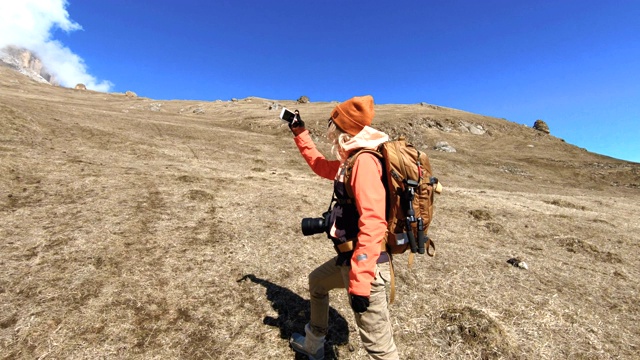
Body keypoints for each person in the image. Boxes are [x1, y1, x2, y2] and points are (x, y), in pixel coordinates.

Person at [288, 95, 399, 360]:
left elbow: (373, 223)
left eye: (331, 121)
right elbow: (320, 165)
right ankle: (314, 343)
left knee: (380, 351)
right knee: (317, 282)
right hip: (349, 259)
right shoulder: (350, 161)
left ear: (342, 127)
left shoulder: (364, 162)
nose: (328, 127)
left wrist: (361, 283)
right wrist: (299, 132)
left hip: (366, 268)